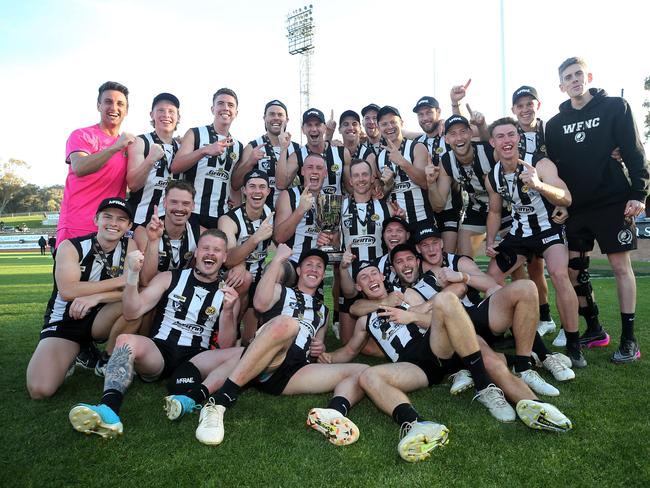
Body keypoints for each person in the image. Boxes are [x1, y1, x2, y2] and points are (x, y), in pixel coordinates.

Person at [321, 261, 572, 462]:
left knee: (446, 301)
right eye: (364, 277)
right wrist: (326, 356)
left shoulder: (407, 296)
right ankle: (417, 425)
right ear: (359, 286)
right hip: (415, 365)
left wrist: (411, 316)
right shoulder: (365, 319)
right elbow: (349, 350)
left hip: (437, 345)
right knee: (368, 376)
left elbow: (443, 318)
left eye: (374, 273)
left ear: (383, 277)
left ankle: (534, 405)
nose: (371, 279)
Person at [183, 244, 367, 446]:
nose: (314, 269)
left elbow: (318, 345)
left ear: (323, 275)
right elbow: (260, 303)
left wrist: (319, 349)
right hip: (268, 359)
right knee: (287, 323)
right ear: (298, 271)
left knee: (363, 371)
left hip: (294, 372)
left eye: (319, 267)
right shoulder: (281, 291)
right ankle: (220, 402)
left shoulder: (323, 310)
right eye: (309, 265)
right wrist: (278, 260)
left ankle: (332, 414)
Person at [68, 229, 239, 438]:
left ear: (224, 257)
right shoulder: (169, 278)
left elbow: (227, 344)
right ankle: (108, 410)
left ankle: (192, 398)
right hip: (159, 352)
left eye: (216, 250)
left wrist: (229, 311)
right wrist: (131, 275)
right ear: (196, 253)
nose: (210, 253)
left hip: (197, 358)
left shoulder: (227, 293)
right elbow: (133, 311)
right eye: (205, 248)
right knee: (125, 340)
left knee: (243, 353)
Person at [545, 57, 650, 363]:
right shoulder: (554, 125)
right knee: (575, 272)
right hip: (575, 209)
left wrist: (638, 193)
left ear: (588, 76)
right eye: (568, 77)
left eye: (579, 74)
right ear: (562, 85)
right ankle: (594, 328)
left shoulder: (616, 107)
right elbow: (553, 168)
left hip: (611, 202)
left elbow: (634, 150)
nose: (575, 80)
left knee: (620, 267)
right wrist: (559, 203)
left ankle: (629, 339)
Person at [485, 117, 584, 368]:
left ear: (519, 137)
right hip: (520, 232)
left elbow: (566, 197)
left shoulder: (539, 162)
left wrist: (539, 185)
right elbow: (495, 212)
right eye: (500, 136)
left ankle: (574, 345)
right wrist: (490, 239)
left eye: (511, 135)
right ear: (492, 142)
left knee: (560, 274)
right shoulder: (493, 175)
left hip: (548, 229)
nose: (506, 141)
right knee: (492, 276)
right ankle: (507, 331)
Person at [26, 197, 139, 399]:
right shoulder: (71, 246)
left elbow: (132, 290)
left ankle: (107, 359)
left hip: (101, 315)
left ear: (129, 225)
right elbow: (68, 291)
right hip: (66, 319)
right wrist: (121, 280)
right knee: (40, 389)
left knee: (135, 305)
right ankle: (78, 351)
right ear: (96, 219)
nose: (114, 223)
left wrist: (97, 297)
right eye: (107, 216)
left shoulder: (130, 245)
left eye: (121, 219)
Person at [58, 81, 134, 243]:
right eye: (108, 102)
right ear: (98, 105)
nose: (114, 107)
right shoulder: (81, 135)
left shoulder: (130, 147)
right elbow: (80, 167)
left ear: (126, 110)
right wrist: (115, 147)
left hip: (110, 230)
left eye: (120, 104)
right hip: (77, 227)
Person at [427, 115, 508, 257]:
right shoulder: (446, 161)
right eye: (452, 134)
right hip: (477, 209)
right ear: (446, 139)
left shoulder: (489, 151)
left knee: (510, 264)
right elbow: (438, 205)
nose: (459, 138)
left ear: (471, 133)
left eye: (463, 131)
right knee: (463, 261)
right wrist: (431, 183)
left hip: (505, 208)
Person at [171, 88, 243, 228]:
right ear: (213, 108)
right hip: (192, 212)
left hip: (222, 215)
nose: (225, 108)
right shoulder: (195, 133)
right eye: (220, 103)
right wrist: (204, 151)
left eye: (230, 105)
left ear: (236, 112)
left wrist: (236, 211)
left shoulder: (238, 146)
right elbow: (176, 166)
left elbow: (234, 185)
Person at [218, 170, 274, 345]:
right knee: (244, 278)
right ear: (244, 190)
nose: (257, 191)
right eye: (252, 187)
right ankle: (229, 332)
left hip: (257, 279)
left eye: (262, 187)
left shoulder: (270, 213)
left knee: (249, 341)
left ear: (268, 192)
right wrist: (255, 238)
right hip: (232, 278)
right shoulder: (229, 219)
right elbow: (228, 259)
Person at [413, 95, 461, 252]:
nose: (425, 118)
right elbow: (401, 132)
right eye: (421, 114)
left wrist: (454, 107)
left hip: (450, 208)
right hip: (425, 211)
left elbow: (464, 131)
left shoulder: (449, 137)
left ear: (439, 112)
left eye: (429, 113)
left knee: (448, 257)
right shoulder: (417, 142)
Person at [232, 100, 300, 209]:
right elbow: (235, 184)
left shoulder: (297, 149)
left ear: (286, 120)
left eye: (280, 115)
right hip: (259, 214)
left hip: (287, 213)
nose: (276, 118)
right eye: (272, 114)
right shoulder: (253, 146)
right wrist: (250, 162)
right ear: (264, 118)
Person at [126, 92, 181, 226]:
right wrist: (150, 159)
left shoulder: (181, 147)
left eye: (171, 112)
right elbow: (133, 184)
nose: (166, 115)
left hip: (169, 222)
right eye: (161, 110)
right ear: (152, 115)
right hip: (139, 219)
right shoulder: (141, 142)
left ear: (178, 117)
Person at [276, 108, 351, 195]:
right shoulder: (297, 156)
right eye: (309, 125)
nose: (314, 129)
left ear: (324, 127)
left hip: (336, 207)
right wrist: (283, 149)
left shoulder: (342, 153)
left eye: (317, 124)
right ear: (303, 129)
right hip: (307, 207)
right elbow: (280, 185)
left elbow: (350, 187)